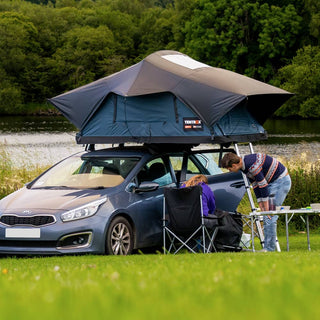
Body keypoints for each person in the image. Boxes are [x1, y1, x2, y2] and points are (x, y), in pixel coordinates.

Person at [221, 152, 291, 252]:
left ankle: (269, 249)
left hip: (280, 182)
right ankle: (267, 248)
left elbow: (263, 185)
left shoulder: (252, 166)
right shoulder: (244, 167)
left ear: (234, 165)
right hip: (270, 183)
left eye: (229, 168)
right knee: (266, 213)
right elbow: (255, 185)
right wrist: (260, 205)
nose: (230, 171)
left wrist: (265, 207)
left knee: (269, 215)